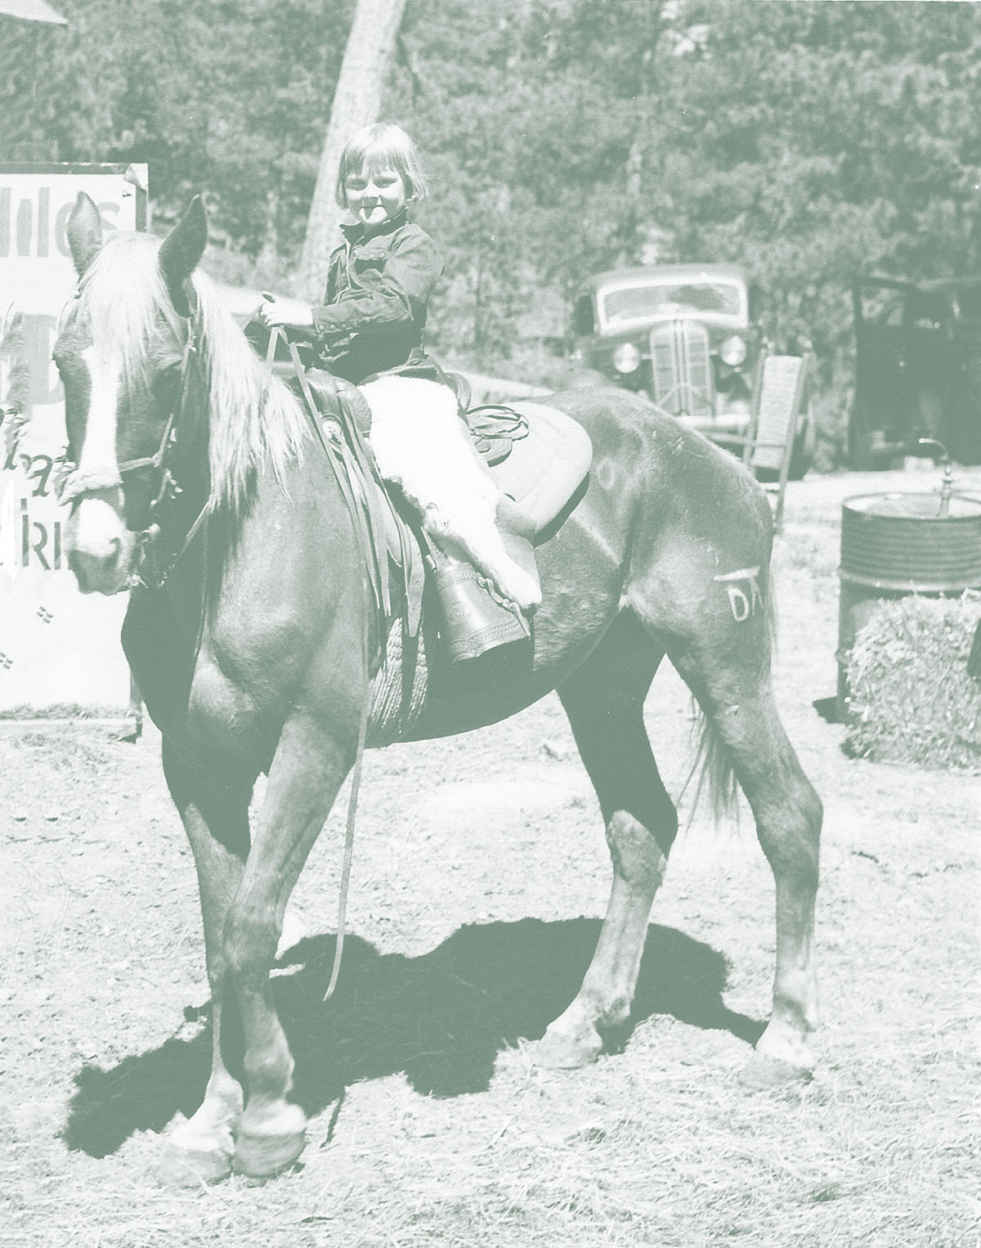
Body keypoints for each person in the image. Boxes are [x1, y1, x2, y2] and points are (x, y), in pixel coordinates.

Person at [256, 122, 540, 658]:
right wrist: (284, 332)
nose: (371, 195)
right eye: (359, 183)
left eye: (385, 183)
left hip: (401, 384)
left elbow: (392, 308)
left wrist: (311, 317)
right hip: (347, 386)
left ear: (410, 189)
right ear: (344, 191)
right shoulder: (345, 252)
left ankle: (497, 579)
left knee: (431, 484)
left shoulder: (414, 245)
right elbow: (335, 336)